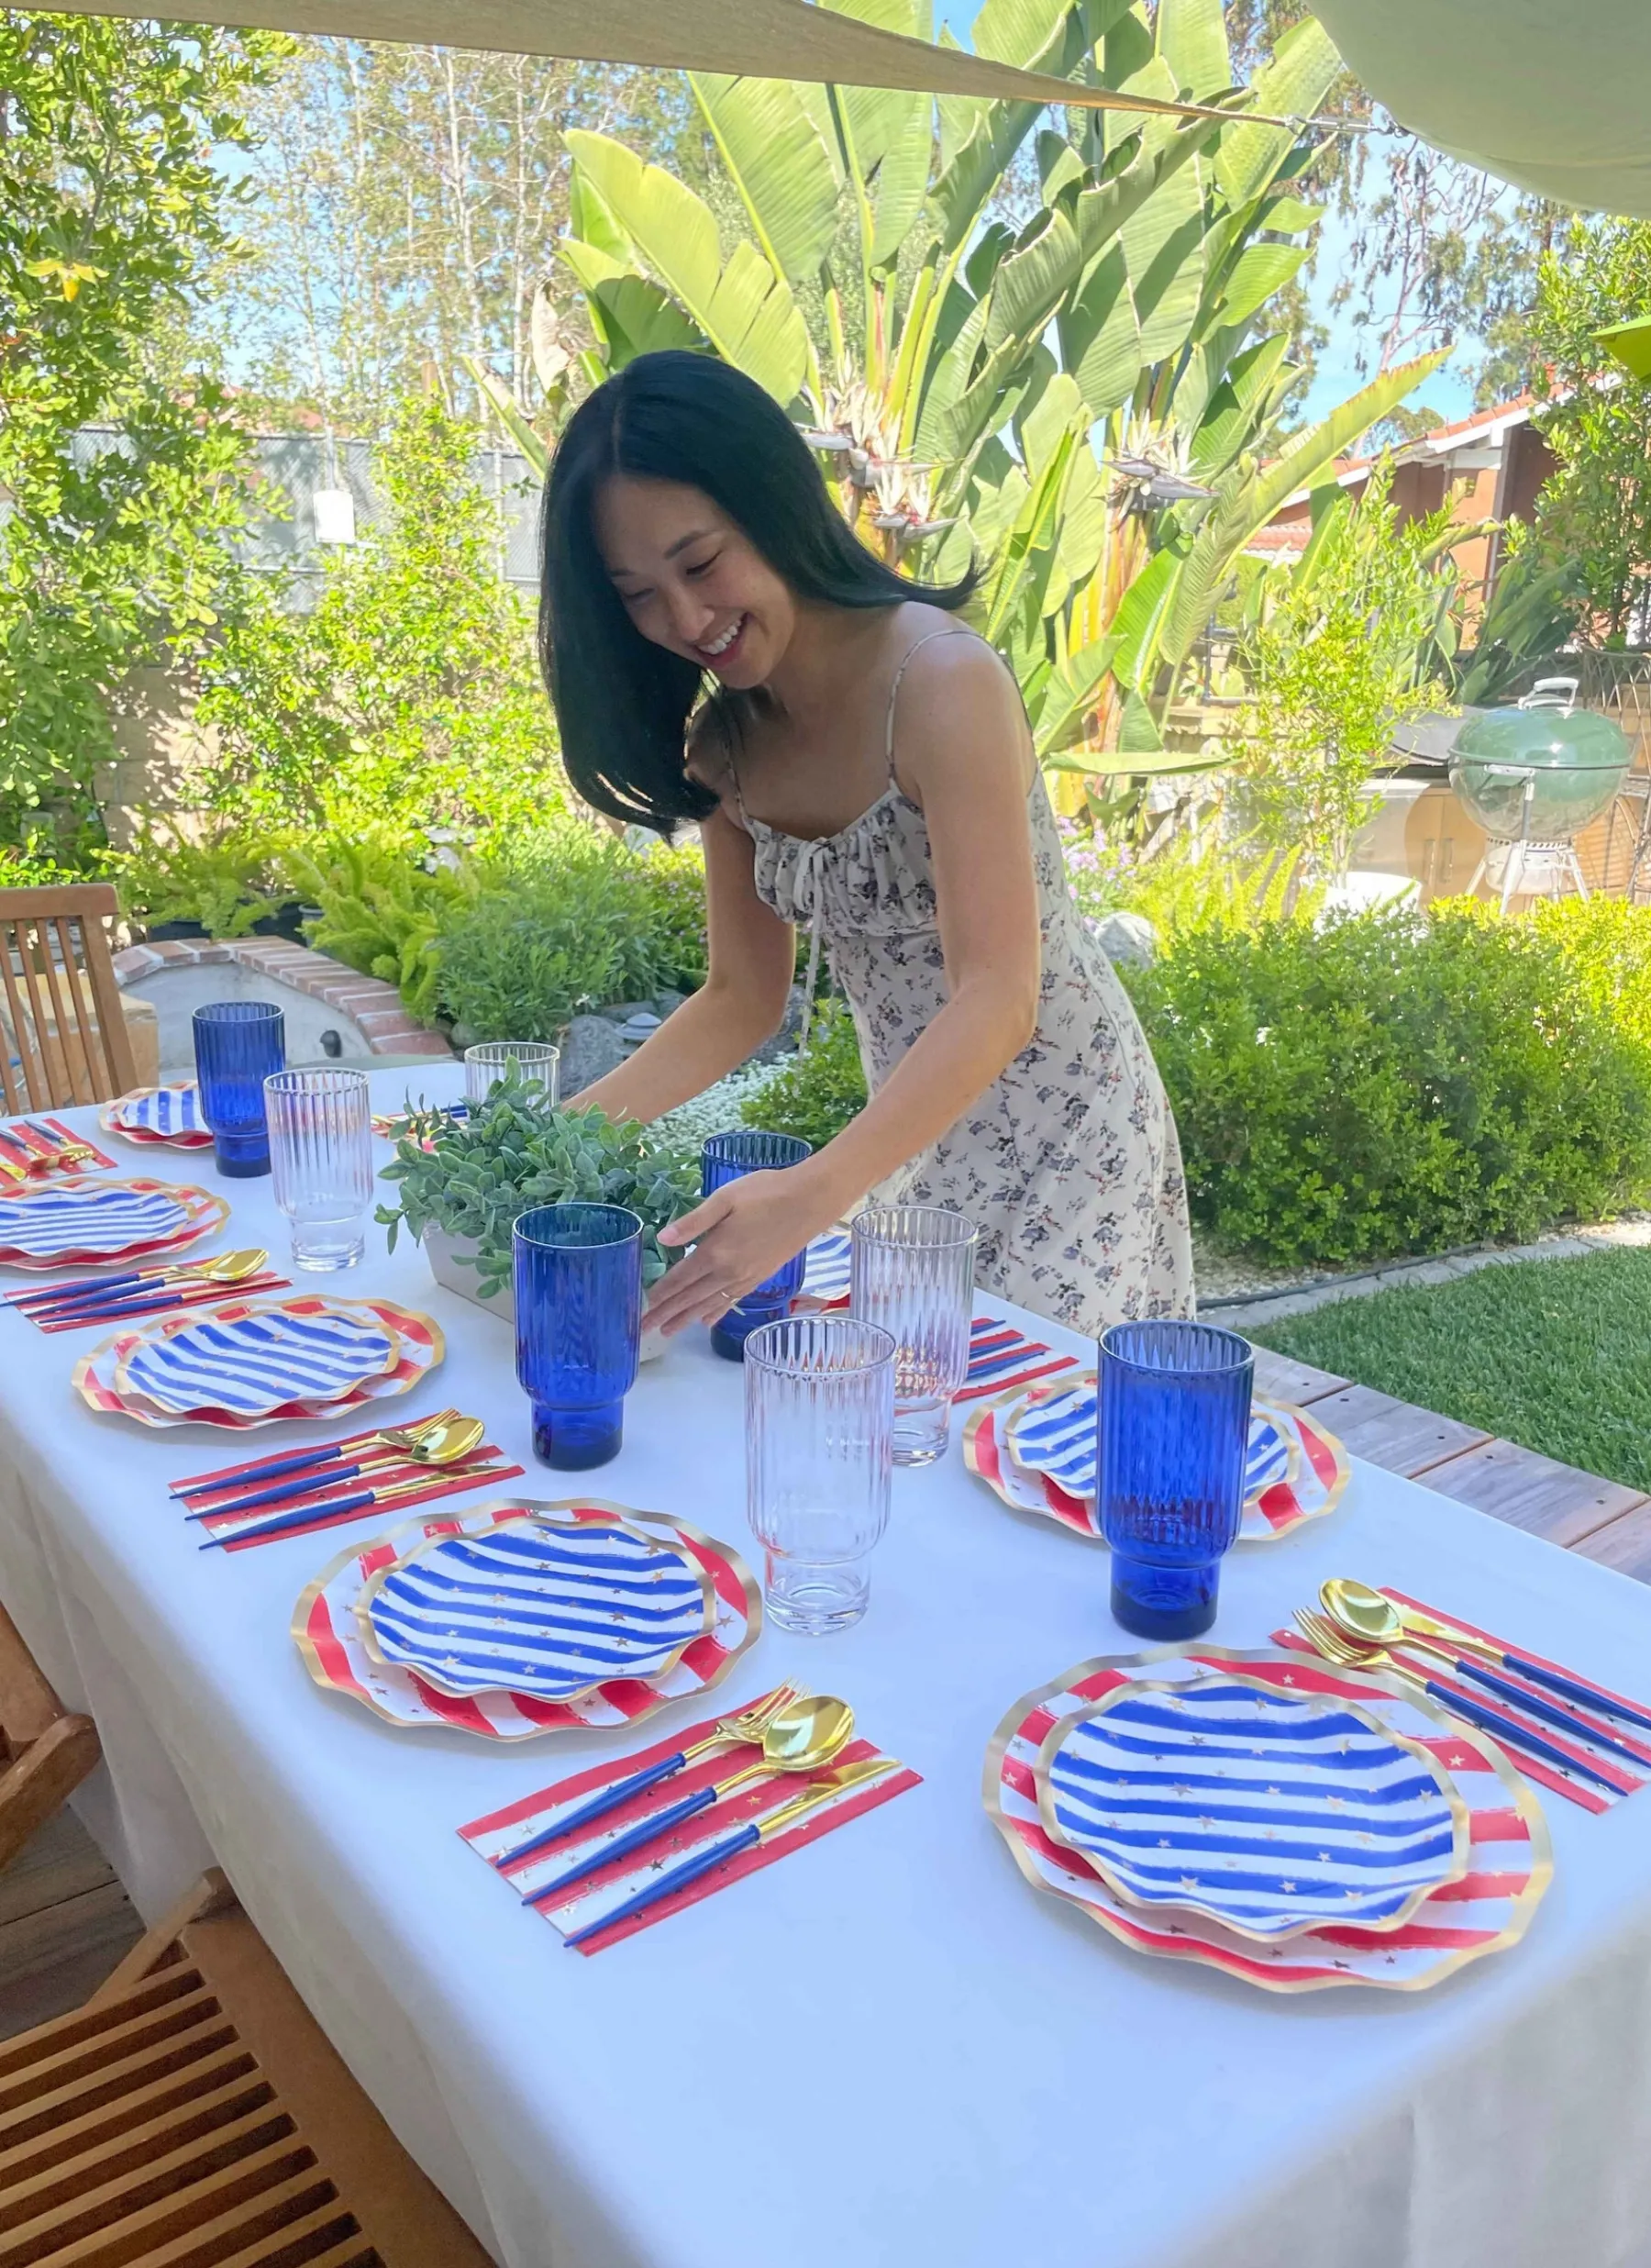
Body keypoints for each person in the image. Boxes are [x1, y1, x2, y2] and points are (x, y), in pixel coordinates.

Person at [539, 350, 1193, 1340]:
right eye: (638, 595)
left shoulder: (941, 682)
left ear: (773, 508)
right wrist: (549, 1141)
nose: (686, 619)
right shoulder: (726, 750)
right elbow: (741, 998)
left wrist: (811, 1194)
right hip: (910, 1133)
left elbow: (999, 993)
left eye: (700, 564)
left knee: (1013, 1414)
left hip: (1072, 1132)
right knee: (916, 1404)